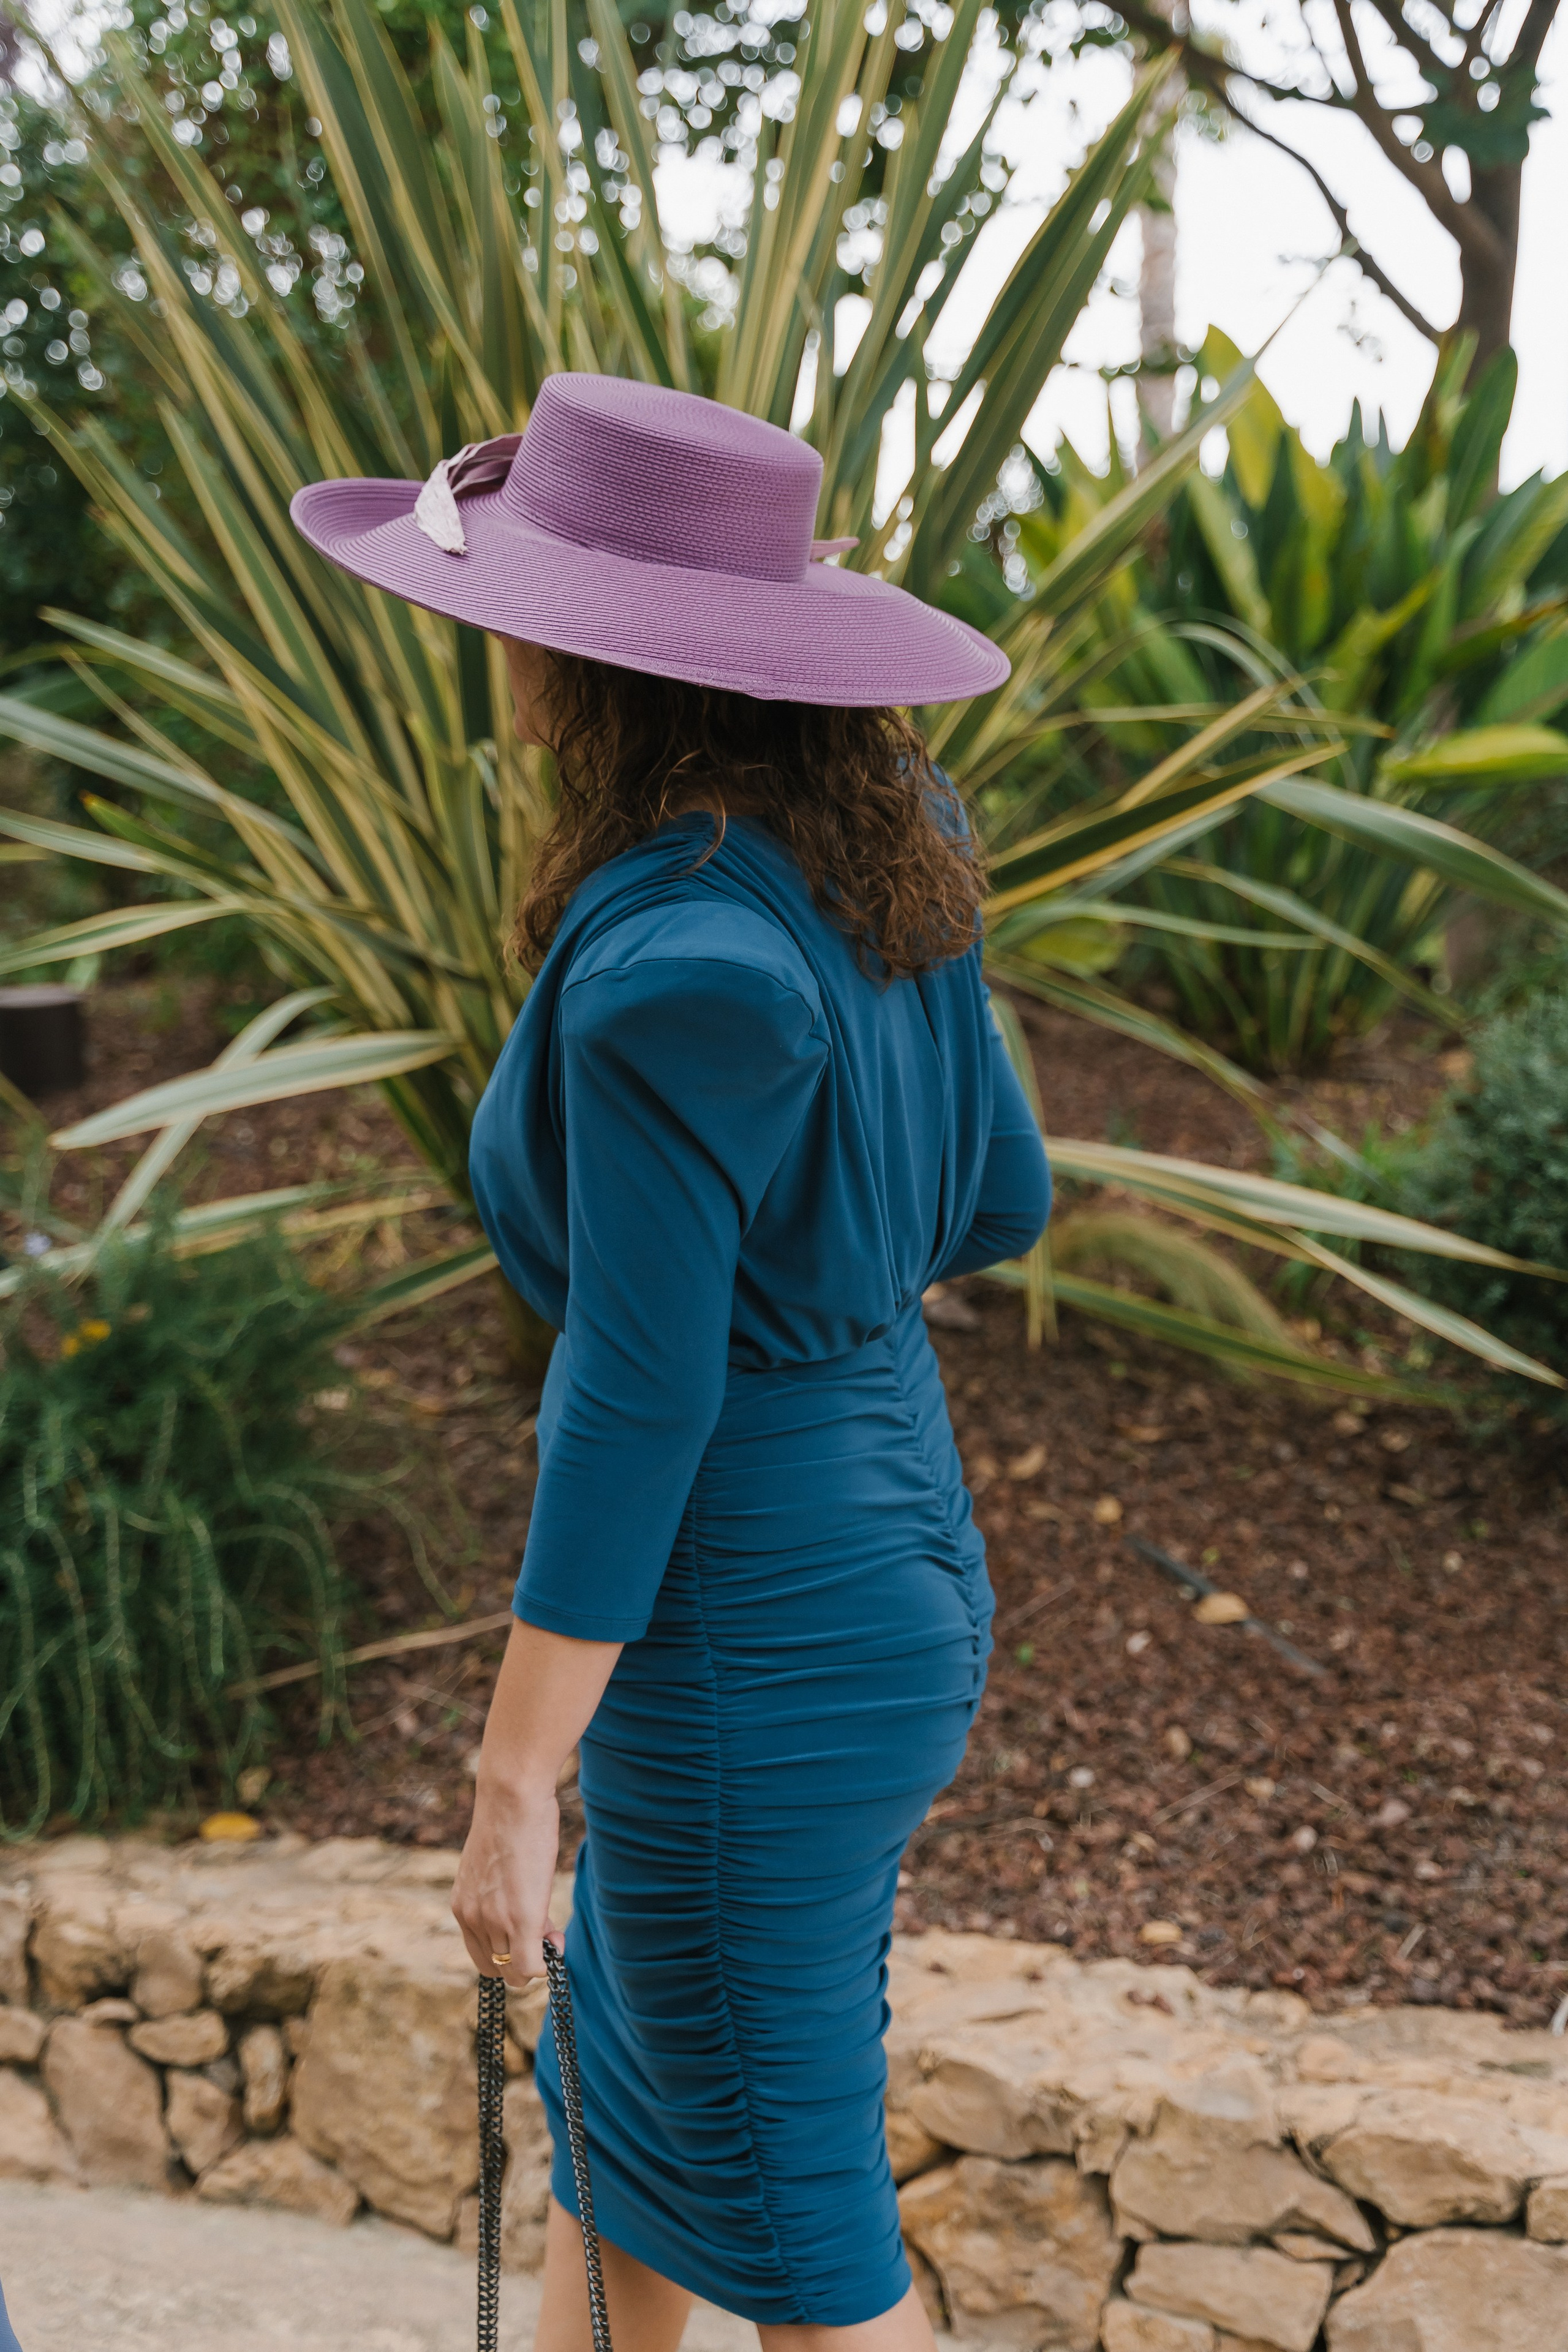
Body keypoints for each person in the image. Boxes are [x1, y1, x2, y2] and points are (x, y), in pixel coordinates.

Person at [290, 375, 1050, 2352]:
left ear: (592, 654)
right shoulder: (888, 839)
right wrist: (825, 1276)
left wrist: (509, 1781)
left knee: (794, 2224)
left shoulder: (679, 961)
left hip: (742, 1631)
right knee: (636, 2118)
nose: (491, 643)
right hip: (890, 1548)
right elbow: (1000, 1196)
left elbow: (640, 1393)